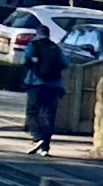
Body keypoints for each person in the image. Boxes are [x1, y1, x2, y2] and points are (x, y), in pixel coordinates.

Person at [23, 23, 67, 156]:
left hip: (36, 84)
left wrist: (34, 64)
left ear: (37, 33)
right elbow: (65, 63)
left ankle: (37, 137)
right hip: (54, 85)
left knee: (32, 112)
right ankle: (45, 148)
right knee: (49, 114)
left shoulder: (33, 45)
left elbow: (26, 60)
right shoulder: (55, 47)